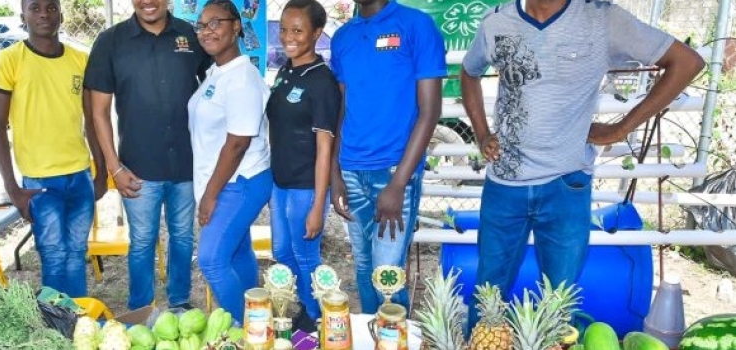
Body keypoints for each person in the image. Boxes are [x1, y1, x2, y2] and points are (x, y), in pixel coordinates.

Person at [460, 0, 704, 332]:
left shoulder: (602, 19)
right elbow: (469, 71)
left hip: (566, 185)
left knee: (559, 303)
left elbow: (686, 62)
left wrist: (620, 129)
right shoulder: (497, 22)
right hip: (504, 184)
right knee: (486, 294)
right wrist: (482, 133)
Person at [84, 0, 210, 311]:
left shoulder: (191, 36)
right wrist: (114, 167)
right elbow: (98, 112)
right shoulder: (110, 41)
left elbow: (216, 88)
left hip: (187, 162)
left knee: (182, 237)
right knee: (142, 242)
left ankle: (179, 302)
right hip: (137, 167)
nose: (148, 2)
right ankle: (141, 308)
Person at [329, 0, 446, 312]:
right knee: (365, 268)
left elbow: (430, 111)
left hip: (395, 171)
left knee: (387, 274)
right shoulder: (343, 37)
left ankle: (394, 337)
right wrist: (335, 173)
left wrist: (398, 184)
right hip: (351, 169)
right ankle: (373, 337)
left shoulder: (416, 25)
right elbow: (342, 109)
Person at [0, 0, 106, 298]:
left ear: (61, 15)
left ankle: (77, 321)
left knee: (76, 253)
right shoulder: (9, 60)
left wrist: (101, 171)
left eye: (51, 7)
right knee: (53, 256)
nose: (44, 13)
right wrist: (13, 189)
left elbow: (92, 120)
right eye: (35, 7)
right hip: (40, 183)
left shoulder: (81, 60)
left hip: (79, 176)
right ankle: (56, 326)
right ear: (22, 16)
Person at [188, 0, 272, 322]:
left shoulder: (242, 78)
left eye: (216, 22)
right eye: (201, 25)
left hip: (241, 181)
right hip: (226, 179)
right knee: (236, 250)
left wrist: (210, 196)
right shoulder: (216, 72)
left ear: (236, 26)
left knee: (211, 259)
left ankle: (247, 328)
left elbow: (237, 143)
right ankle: (254, 310)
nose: (207, 31)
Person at [265, 0, 340, 330]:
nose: (287, 37)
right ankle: (299, 312)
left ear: (317, 33)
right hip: (279, 183)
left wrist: (317, 205)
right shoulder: (286, 70)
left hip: (305, 187)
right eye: (283, 29)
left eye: (297, 30)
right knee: (282, 252)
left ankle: (320, 320)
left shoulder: (321, 81)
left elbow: (325, 148)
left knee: (306, 254)